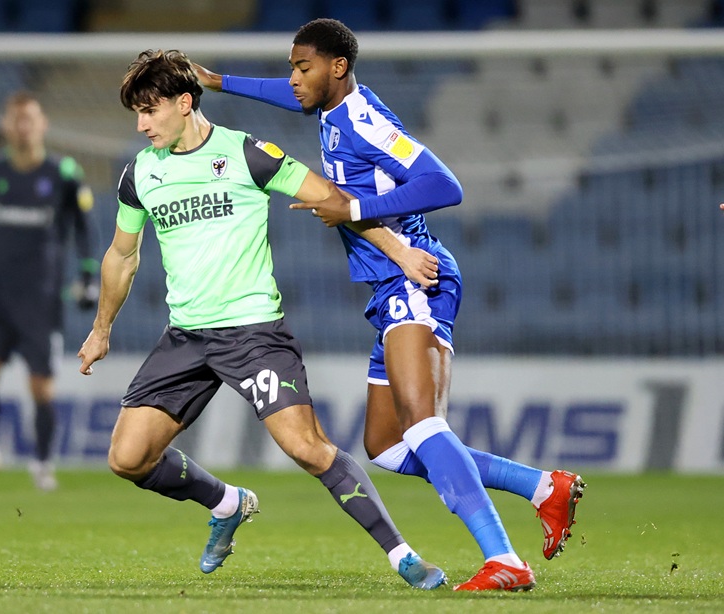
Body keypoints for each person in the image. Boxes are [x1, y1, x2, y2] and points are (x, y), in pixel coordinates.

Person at [193, 19, 586, 591]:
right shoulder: (331, 108)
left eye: (303, 68)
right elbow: (291, 95)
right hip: (388, 288)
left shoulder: (362, 119)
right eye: (292, 68)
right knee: (387, 444)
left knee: (425, 423)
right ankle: (542, 488)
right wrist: (220, 81)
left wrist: (351, 213)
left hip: (415, 277)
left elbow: (443, 184)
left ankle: (505, 560)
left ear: (338, 68)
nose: (294, 79)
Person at [77, 48, 448, 588]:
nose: (141, 124)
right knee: (128, 458)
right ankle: (227, 504)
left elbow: (334, 199)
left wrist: (400, 251)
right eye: (136, 113)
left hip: (253, 333)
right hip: (186, 336)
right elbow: (122, 255)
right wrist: (100, 328)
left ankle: (403, 556)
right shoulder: (140, 174)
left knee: (307, 448)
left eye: (150, 110)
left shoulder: (249, 154)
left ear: (185, 103)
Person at [0, 91, 99, 492]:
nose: (23, 126)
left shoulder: (63, 173)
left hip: (41, 296)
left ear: (42, 125)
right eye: (16, 119)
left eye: (30, 119)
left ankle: (42, 463)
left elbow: (85, 227)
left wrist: (88, 273)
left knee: (41, 386)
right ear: (6, 125)